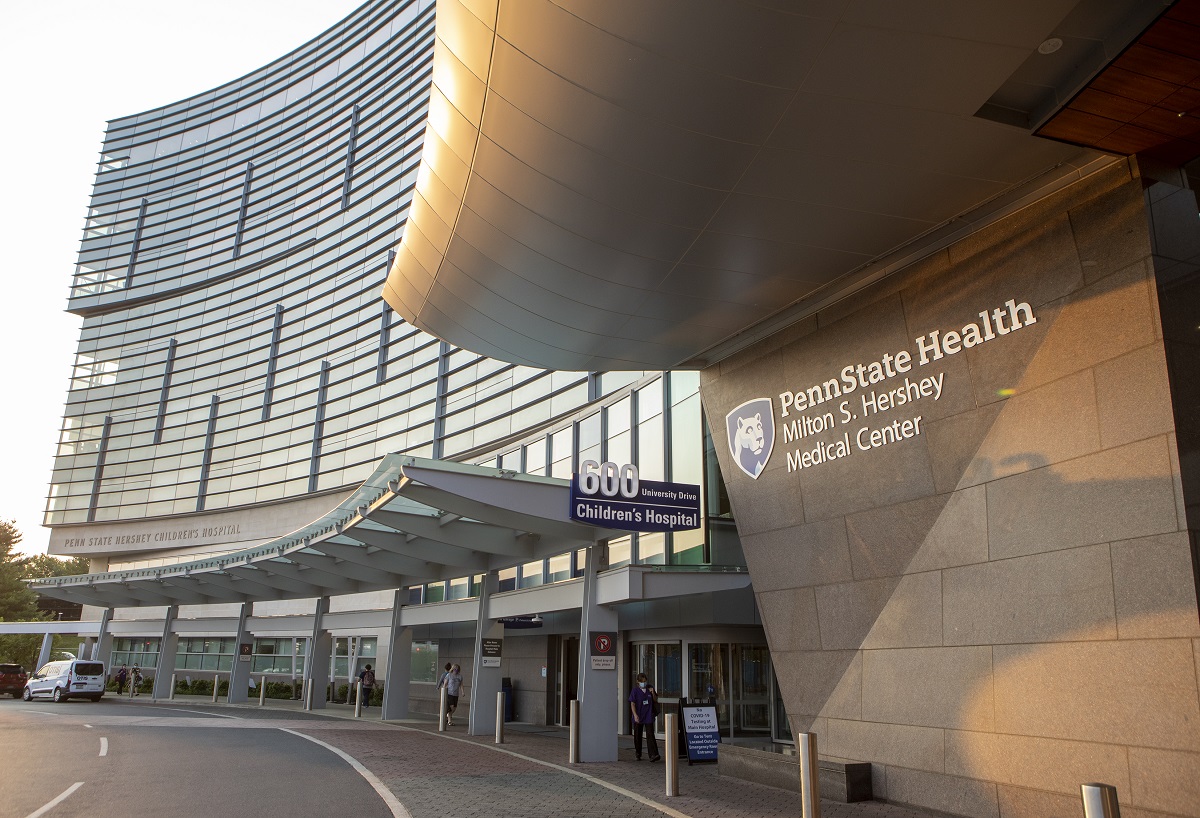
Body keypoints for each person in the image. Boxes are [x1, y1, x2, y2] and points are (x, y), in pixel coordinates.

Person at [629, 673, 660, 761]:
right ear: (638, 682)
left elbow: (655, 699)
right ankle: (638, 753)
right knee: (638, 735)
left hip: (648, 715)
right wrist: (635, 715)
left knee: (650, 734)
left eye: (645, 681)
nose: (644, 683)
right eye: (642, 682)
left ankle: (653, 754)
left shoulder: (649, 688)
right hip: (639, 715)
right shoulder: (635, 691)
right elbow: (632, 704)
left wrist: (653, 692)